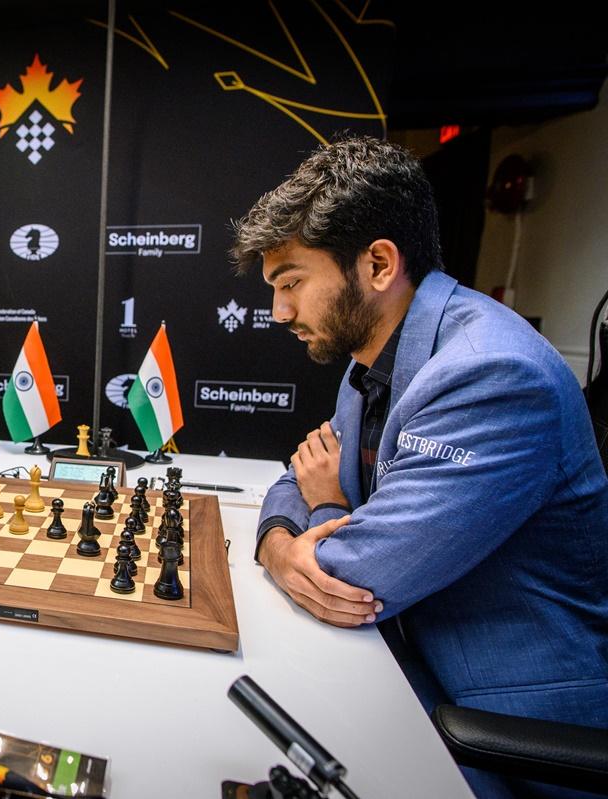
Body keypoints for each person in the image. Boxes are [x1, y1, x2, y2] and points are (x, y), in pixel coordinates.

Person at [230, 136, 607, 795]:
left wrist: (321, 515)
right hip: (397, 672)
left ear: (378, 263)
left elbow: (356, 572)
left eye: (291, 283)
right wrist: (279, 541)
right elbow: (299, 471)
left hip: (500, 738)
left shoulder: (492, 374)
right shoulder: (368, 360)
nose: (279, 313)